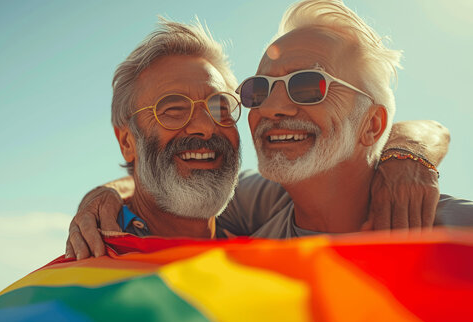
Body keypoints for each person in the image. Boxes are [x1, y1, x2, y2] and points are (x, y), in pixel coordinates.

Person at [65, 1, 464, 259]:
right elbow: (162, 180)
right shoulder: (252, 238)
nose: (272, 107)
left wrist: (409, 150)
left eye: (308, 84)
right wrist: (105, 192)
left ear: (373, 124)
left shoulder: (458, 241)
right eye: (258, 89)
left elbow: (433, 129)